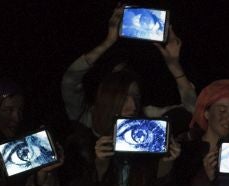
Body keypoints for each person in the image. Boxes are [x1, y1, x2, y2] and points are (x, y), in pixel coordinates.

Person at [61, 5, 196, 131]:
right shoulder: (88, 119)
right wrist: (108, 41)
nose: (133, 107)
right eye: (124, 97)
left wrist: (174, 66)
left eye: (136, 97)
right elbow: (70, 80)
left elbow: (192, 110)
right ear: (107, 94)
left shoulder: (145, 116)